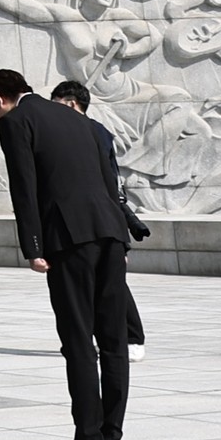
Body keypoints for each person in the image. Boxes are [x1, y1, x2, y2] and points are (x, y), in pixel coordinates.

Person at [0, 68, 140, 440]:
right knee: (112, 341)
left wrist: (32, 247)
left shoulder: (17, 120)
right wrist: (120, 236)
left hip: (69, 239)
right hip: (110, 233)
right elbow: (110, 182)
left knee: (77, 342)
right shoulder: (82, 119)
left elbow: (24, 185)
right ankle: (111, 438)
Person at [51, 80, 148, 353]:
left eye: (56, 104)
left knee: (111, 285)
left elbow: (112, 182)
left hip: (101, 218)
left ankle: (131, 337)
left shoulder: (94, 131)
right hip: (94, 219)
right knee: (99, 283)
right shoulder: (89, 131)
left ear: (71, 103)